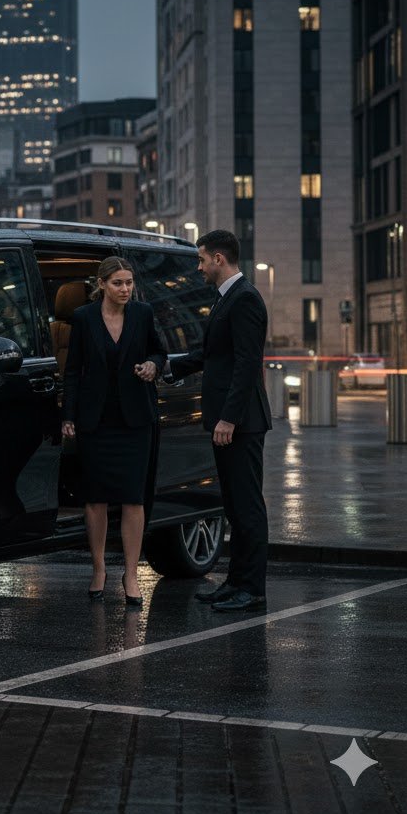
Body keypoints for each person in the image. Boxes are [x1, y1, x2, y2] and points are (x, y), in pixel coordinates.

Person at [165, 229, 272, 613]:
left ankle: (252, 588)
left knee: (247, 507)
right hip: (229, 422)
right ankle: (236, 581)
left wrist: (229, 418)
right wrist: (168, 366)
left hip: (241, 423)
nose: (199, 267)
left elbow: (246, 365)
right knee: (234, 506)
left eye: (201, 259)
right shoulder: (226, 298)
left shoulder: (244, 299)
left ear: (219, 259)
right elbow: (213, 355)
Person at [61, 256, 168, 608]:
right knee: (96, 499)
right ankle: (98, 569)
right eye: (118, 283)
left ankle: (132, 574)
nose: (126, 289)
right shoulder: (83, 318)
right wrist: (69, 415)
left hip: (135, 419)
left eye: (129, 282)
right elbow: (73, 370)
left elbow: (159, 350)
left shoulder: (143, 313)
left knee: (134, 499)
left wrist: (153, 364)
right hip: (96, 421)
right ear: (102, 284)